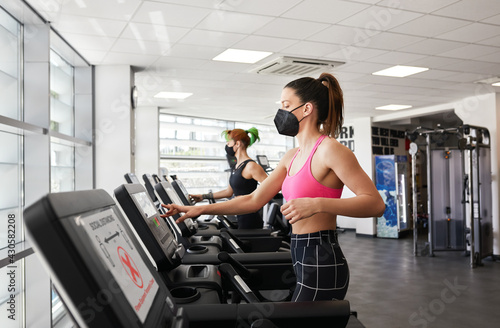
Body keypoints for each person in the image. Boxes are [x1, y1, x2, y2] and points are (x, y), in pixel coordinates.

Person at [162, 72, 385, 302]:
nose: (281, 112)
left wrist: (317, 204)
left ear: (306, 109)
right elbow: (253, 199)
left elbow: (375, 204)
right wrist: (199, 209)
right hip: (298, 250)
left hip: (321, 254)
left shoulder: (331, 150)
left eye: (287, 105)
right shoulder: (291, 156)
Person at [190, 128, 268, 229]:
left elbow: (272, 188)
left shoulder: (251, 166)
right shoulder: (236, 166)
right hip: (239, 216)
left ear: (237, 144)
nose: (227, 145)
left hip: (250, 221)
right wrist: (203, 196)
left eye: (228, 142)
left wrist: (253, 198)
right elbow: (228, 192)